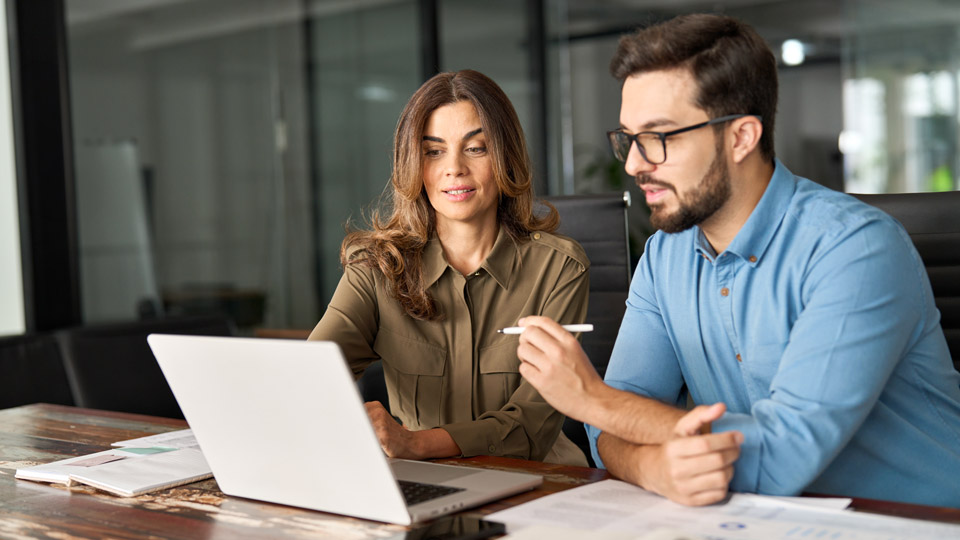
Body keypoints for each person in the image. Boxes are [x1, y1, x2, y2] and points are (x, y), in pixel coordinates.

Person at [515, 13, 960, 507]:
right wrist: (651, 466)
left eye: (659, 137)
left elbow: (779, 458)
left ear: (741, 137)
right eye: (628, 138)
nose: (635, 164)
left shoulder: (856, 249)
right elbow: (611, 432)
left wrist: (592, 399)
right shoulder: (666, 257)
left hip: (917, 523)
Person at [309, 69, 590, 466]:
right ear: (413, 163)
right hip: (422, 483)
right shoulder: (375, 269)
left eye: (476, 148)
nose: (454, 168)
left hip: (539, 481)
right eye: (433, 151)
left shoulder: (558, 268)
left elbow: (532, 422)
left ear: (505, 156)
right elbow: (311, 374)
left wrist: (416, 444)